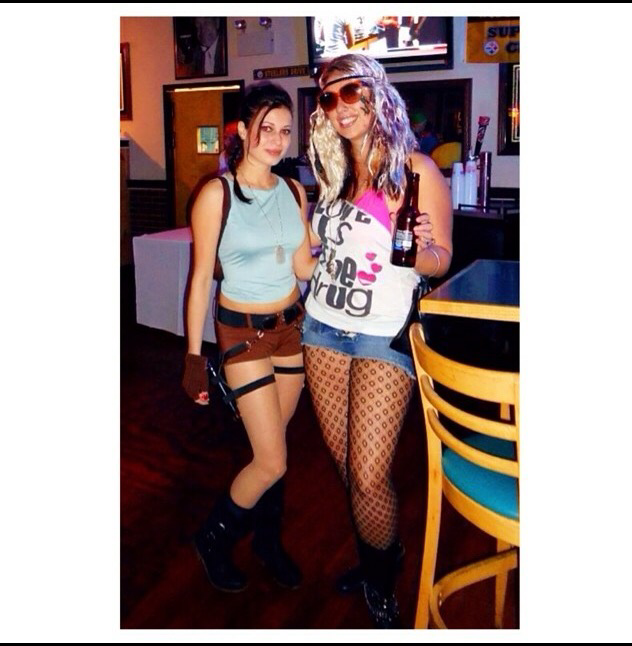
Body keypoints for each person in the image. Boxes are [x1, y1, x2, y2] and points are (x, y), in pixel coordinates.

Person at [304, 53, 452, 627]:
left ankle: (383, 581)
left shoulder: (416, 170)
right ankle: (376, 556)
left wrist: (418, 252)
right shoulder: (334, 170)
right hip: (322, 326)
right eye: (328, 96)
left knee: (368, 475)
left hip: (383, 333)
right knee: (348, 468)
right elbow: (325, 248)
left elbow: (441, 260)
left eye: (350, 91)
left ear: (376, 93)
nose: (339, 106)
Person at [182, 83, 317, 593]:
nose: (278, 140)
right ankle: (212, 539)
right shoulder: (216, 195)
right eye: (267, 129)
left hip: (291, 329)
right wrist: (193, 357)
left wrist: (343, 244)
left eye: (285, 130)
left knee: (272, 446)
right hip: (242, 333)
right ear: (242, 130)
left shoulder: (294, 190)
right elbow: (200, 280)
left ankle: (266, 542)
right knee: (272, 459)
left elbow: (303, 266)